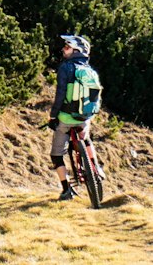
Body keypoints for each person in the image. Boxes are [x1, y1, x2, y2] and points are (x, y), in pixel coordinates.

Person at [48, 33, 103, 200]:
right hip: (85, 117)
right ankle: (96, 168)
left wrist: (53, 117)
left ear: (76, 50)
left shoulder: (66, 68)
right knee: (85, 139)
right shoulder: (89, 70)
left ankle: (66, 190)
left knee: (56, 154)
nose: (63, 50)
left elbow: (60, 94)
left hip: (66, 117)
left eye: (67, 47)